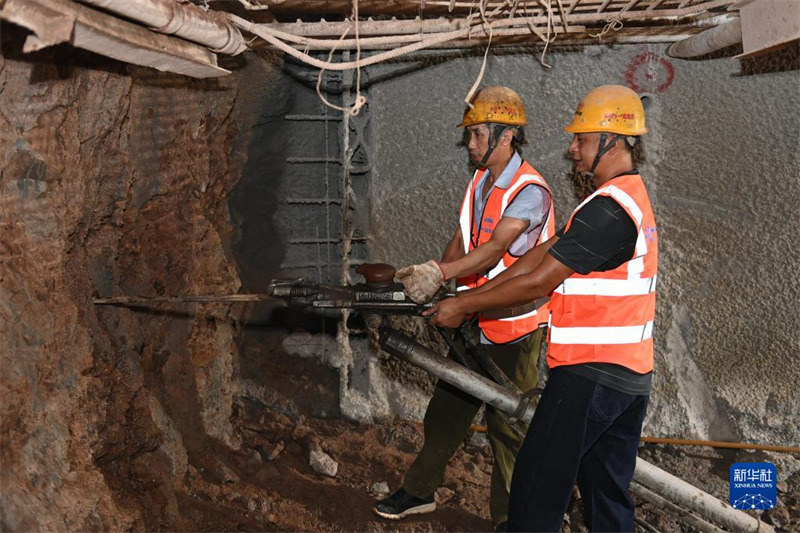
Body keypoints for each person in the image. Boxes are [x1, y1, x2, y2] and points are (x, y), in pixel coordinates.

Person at [426, 84, 657, 532]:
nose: (572, 148)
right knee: (606, 496)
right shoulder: (616, 202)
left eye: (581, 139)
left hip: (590, 376)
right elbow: (537, 257)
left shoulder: (609, 212)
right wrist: (460, 298)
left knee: (534, 492)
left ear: (612, 142)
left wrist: (463, 304)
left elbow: (538, 281)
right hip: (627, 378)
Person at [373, 86, 556, 530]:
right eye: (470, 136)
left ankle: (514, 519)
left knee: (508, 430)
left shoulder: (529, 191)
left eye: (476, 135)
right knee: (446, 412)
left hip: (513, 329)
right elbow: (464, 237)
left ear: (506, 135)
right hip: (475, 319)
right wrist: (437, 273)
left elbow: (493, 251)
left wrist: (444, 276)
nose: (470, 144)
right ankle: (419, 491)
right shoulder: (480, 180)